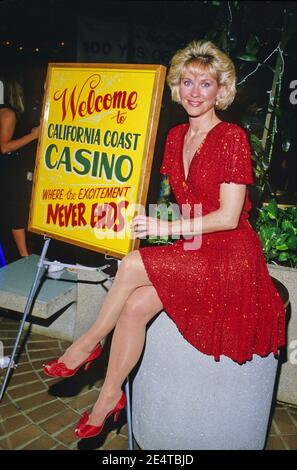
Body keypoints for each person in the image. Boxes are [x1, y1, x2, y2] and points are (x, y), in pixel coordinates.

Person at [43, 40, 286, 439]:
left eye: (205, 84)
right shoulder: (175, 137)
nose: (194, 92)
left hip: (231, 253)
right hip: (196, 246)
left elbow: (228, 217)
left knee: (133, 263)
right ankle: (109, 397)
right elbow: (188, 206)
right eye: (187, 82)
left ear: (221, 90)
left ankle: (86, 344)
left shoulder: (232, 138)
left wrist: (162, 228)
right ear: (176, 87)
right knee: (136, 305)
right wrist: (149, 215)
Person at [0, 78, 39, 257]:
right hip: (10, 170)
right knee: (16, 211)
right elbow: (5, 147)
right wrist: (34, 136)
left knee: (14, 211)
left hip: (11, 169)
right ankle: (24, 255)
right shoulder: (8, 113)